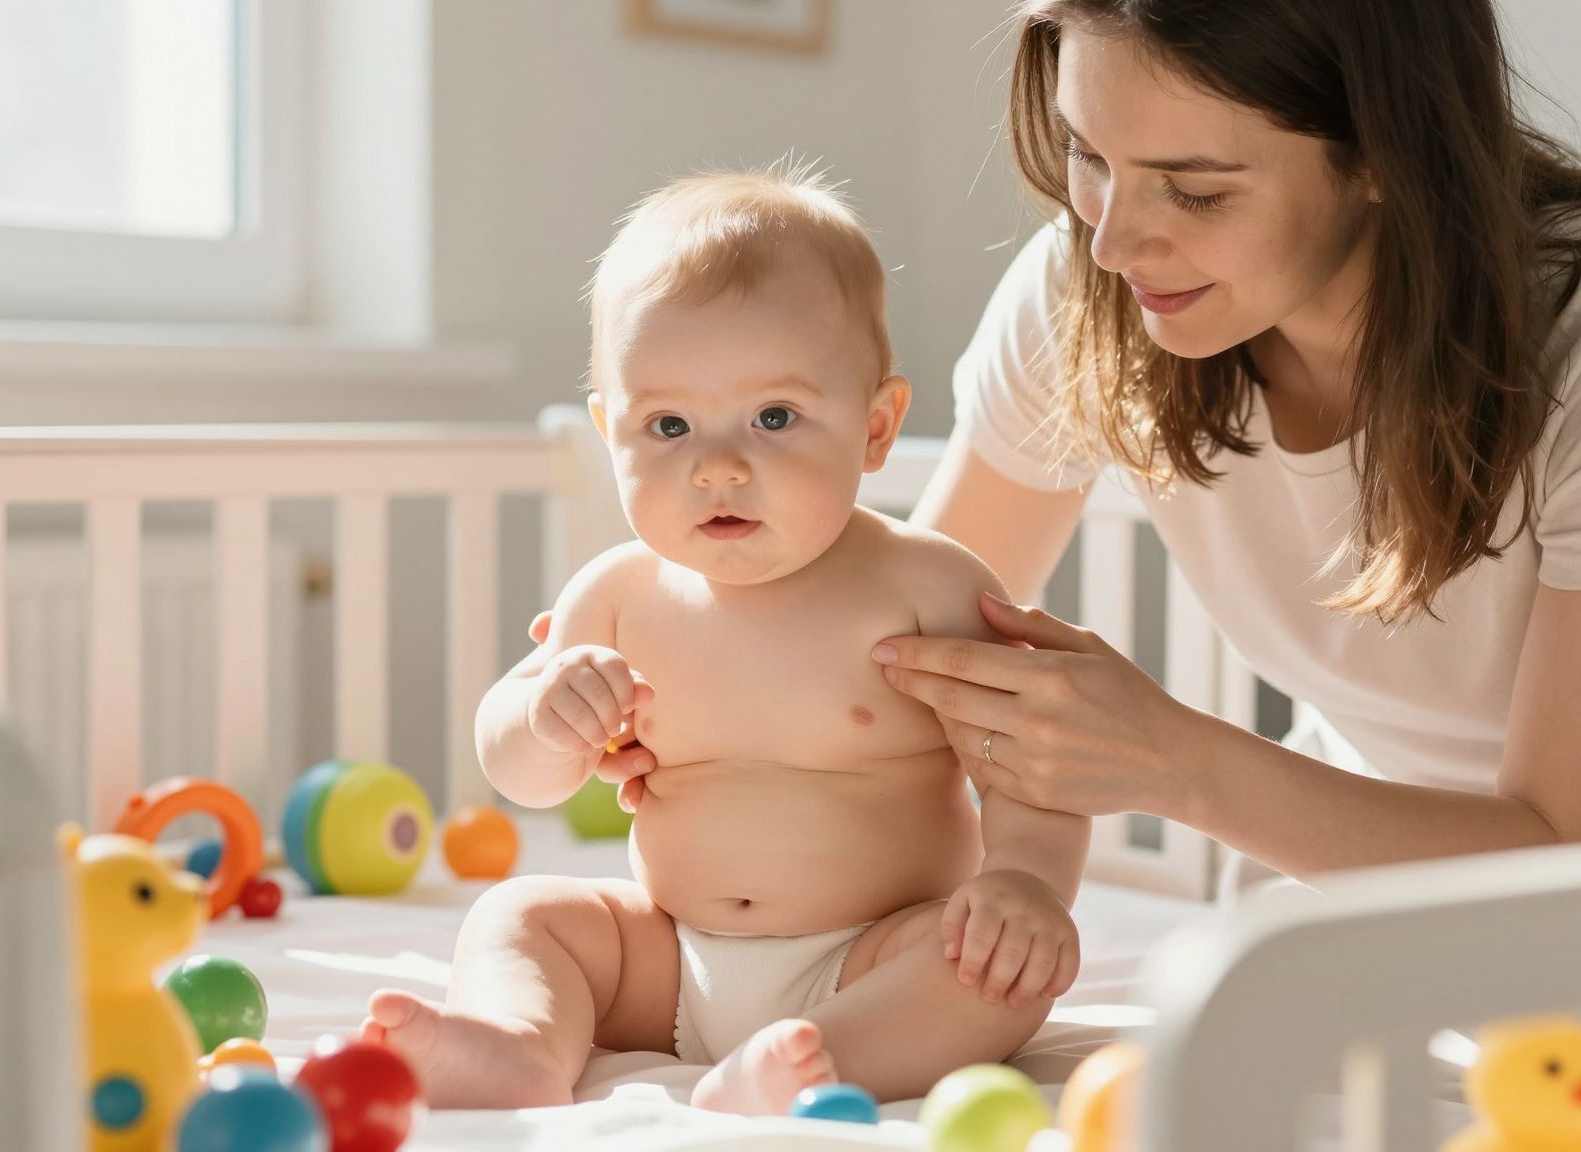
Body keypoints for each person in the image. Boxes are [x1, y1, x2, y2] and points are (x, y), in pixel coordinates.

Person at [865, 0, 1581, 1142]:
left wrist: (1173, 761)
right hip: (1367, 816)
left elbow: (1567, 852)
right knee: (1239, 1042)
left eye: (1196, 191)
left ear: (1387, 150)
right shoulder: (1091, 291)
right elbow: (893, 640)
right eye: (1089, 157)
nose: (1112, 242)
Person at [361, 165, 1087, 1115]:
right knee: (520, 914)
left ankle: (816, 1060)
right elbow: (523, 776)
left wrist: (1026, 882)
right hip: (665, 959)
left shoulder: (930, 589)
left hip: (874, 956)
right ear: (609, 435)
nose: (718, 468)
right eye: (668, 425)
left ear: (874, 427)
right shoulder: (618, 594)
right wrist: (542, 718)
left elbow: (1032, 768)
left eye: (774, 418)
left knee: (996, 972)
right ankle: (517, 1043)